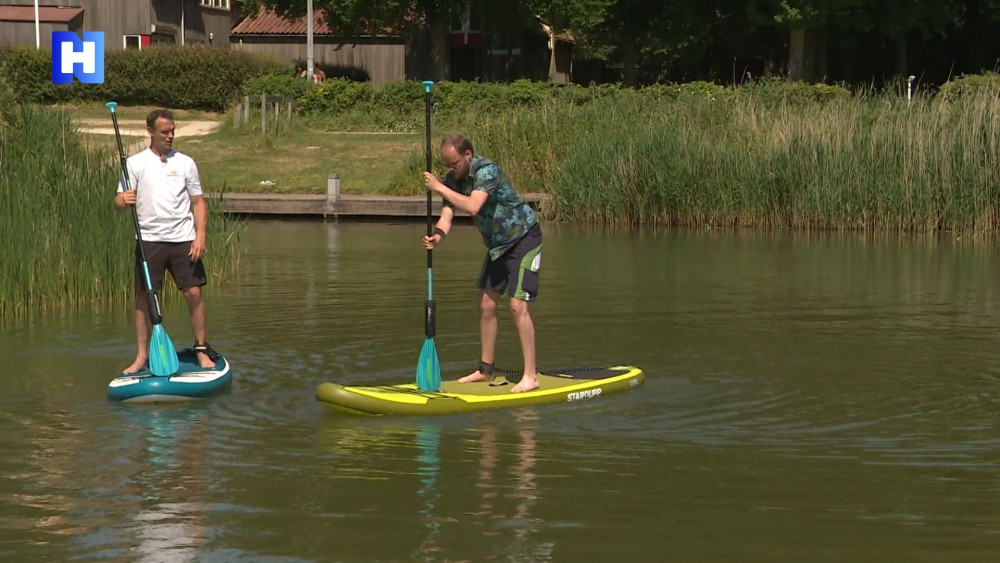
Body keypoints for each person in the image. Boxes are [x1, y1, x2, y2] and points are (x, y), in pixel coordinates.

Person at [422, 135, 542, 393]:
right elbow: (446, 217)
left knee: (517, 305)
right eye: (446, 165)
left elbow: (474, 206)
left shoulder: (487, 171)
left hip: (524, 238)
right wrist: (437, 237)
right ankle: (485, 370)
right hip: (498, 247)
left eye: (453, 163)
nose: (450, 169)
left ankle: (530, 376)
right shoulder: (452, 181)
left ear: (468, 155)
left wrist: (439, 188)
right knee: (486, 304)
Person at [114, 109, 217, 374]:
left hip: (183, 239)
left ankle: (202, 350)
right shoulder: (135, 164)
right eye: (164, 132)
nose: (170, 136)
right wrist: (122, 201)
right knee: (144, 299)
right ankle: (141, 356)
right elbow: (119, 201)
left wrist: (200, 235)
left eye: (172, 131)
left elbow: (198, 202)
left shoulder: (185, 163)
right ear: (150, 132)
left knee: (193, 293)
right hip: (149, 240)